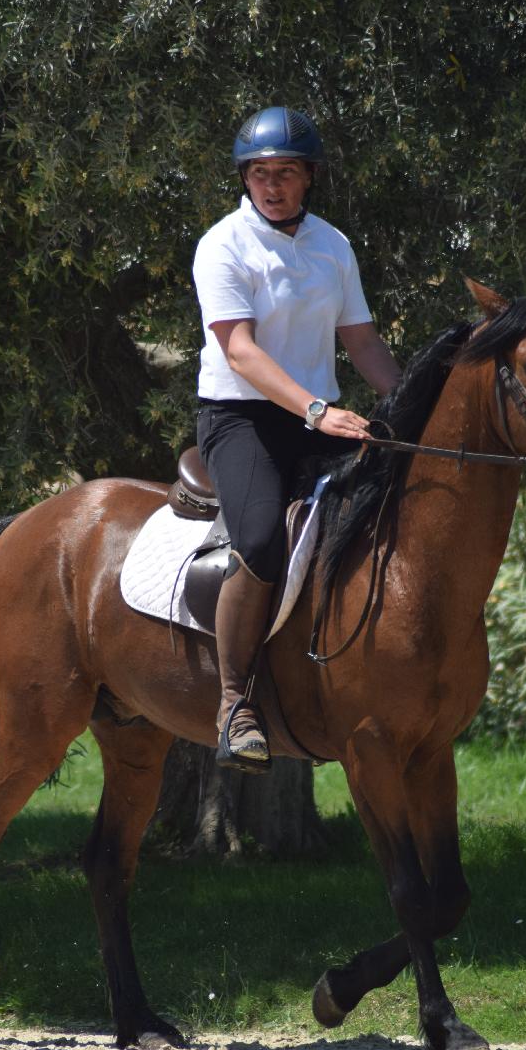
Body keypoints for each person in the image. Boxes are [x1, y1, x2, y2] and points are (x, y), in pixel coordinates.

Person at [193, 106, 402, 773]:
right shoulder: (223, 245)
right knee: (257, 540)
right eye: (259, 173)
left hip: (319, 416)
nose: (272, 185)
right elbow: (242, 353)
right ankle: (234, 703)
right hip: (241, 419)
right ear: (245, 179)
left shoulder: (332, 245)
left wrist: (406, 410)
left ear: (308, 177)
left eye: (285, 172)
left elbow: (361, 341)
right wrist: (316, 409)